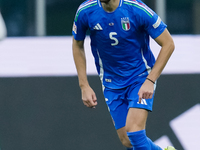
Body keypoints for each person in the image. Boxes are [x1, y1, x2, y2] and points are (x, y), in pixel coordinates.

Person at [72, 0, 175, 149]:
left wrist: (150, 80)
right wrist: (84, 85)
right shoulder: (85, 11)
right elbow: (77, 44)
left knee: (134, 132)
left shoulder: (136, 9)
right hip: (110, 82)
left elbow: (169, 43)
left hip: (139, 77)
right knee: (127, 141)